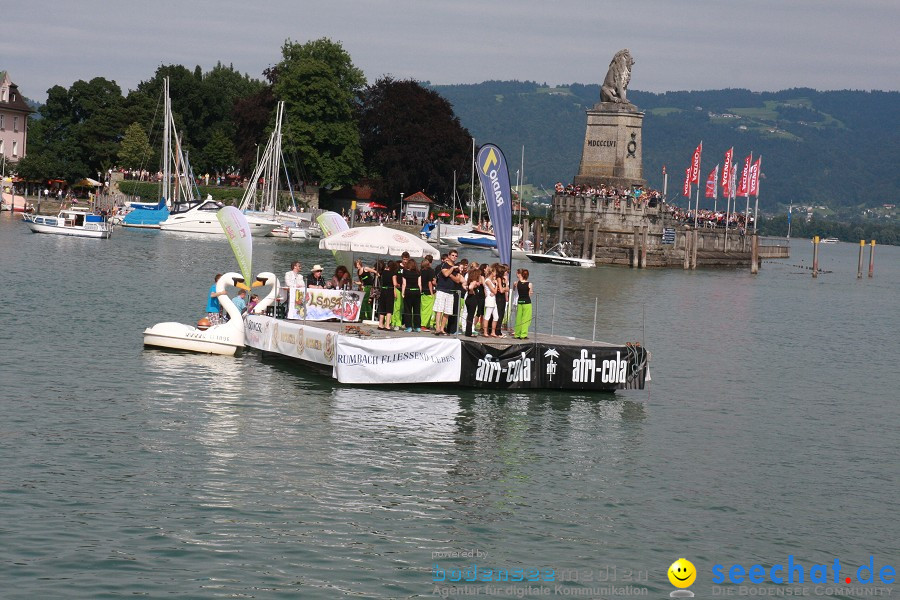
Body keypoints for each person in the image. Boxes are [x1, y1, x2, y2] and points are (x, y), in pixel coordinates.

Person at [433, 250, 462, 336]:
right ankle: (437, 328)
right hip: (442, 289)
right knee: (439, 310)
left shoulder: (457, 268)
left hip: (450, 291)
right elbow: (445, 274)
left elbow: (458, 280)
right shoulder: (444, 264)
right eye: (452, 255)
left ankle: (442, 328)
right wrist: (452, 269)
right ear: (449, 256)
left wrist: (450, 273)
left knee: (447, 311)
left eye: (456, 256)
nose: (454, 257)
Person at [401, 258, 422, 332]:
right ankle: (417, 327)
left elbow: (404, 284)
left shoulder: (405, 272)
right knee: (417, 310)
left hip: (408, 291)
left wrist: (402, 293)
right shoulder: (418, 272)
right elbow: (420, 284)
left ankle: (409, 326)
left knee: (408, 310)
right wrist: (420, 292)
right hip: (416, 291)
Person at [376, 260, 397, 330]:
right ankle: (387, 325)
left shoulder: (383, 272)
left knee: (382, 308)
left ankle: (380, 324)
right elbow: (394, 283)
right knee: (389, 309)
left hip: (383, 290)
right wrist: (398, 284)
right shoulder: (393, 273)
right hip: (389, 290)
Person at [514, 269, 534, 339]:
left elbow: (515, 289)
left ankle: (517, 334)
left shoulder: (517, 283)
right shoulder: (529, 284)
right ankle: (523, 334)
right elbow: (530, 294)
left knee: (518, 318)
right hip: (527, 302)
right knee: (526, 319)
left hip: (520, 302)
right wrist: (531, 291)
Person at [464, 267, 483, 337]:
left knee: (469, 316)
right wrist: (471, 291)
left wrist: (467, 289)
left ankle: (468, 331)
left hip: (469, 299)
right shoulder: (474, 281)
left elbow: (464, 285)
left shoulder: (470, 281)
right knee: (470, 316)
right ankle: (469, 332)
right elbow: (470, 287)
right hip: (472, 299)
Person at [482, 265, 500, 337]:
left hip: (493, 300)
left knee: (496, 317)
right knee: (487, 316)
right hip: (489, 300)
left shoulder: (492, 281)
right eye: (495, 272)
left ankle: (493, 332)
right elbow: (494, 291)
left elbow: (494, 291)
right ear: (492, 272)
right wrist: (497, 285)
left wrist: (495, 288)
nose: (495, 273)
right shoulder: (488, 281)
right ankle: (485, 332)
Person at [419, 256, 436, 331]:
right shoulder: (430, 271)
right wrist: (432, 293)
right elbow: (430, 283)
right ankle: (424, 325)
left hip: (421, 291)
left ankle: (424, 324)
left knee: (422, 309)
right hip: (428, 292)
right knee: (428, 310)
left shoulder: (420, 271)